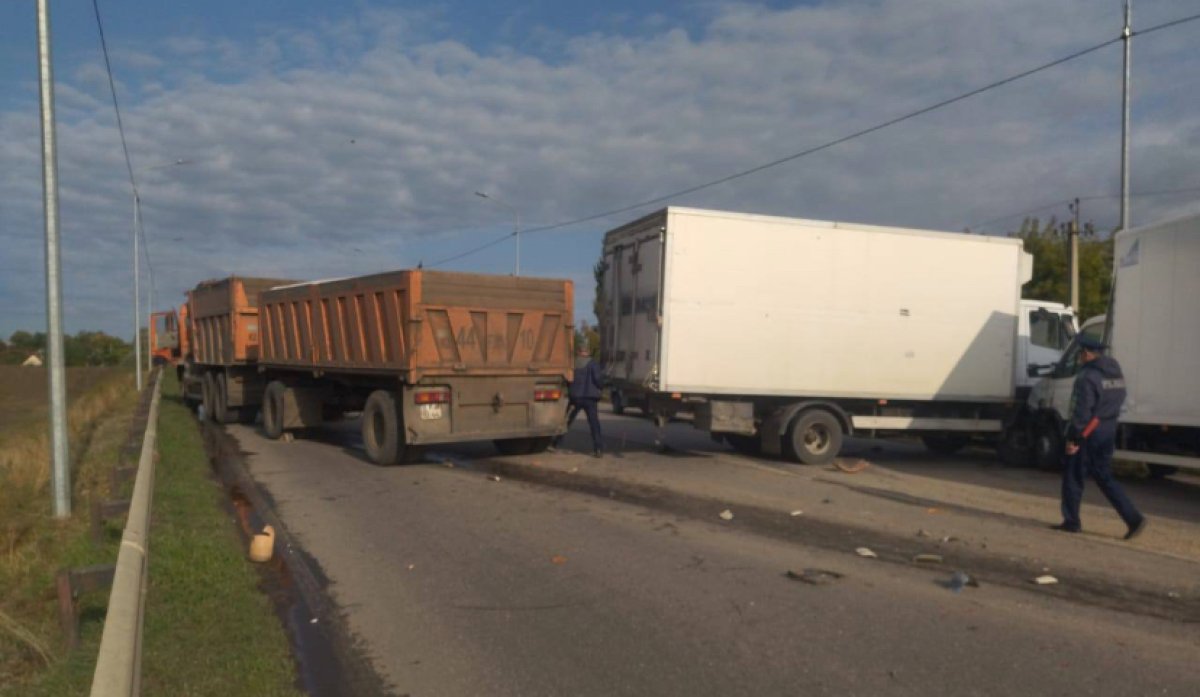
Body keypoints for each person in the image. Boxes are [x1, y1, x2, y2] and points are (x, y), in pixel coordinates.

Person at [1053, 334, 1147, 540]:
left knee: (1073, 475)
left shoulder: (1087, 377)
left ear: (1086, 354)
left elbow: (1081, 410)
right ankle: (1133, 518)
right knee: (1103, 476)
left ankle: (1071, 521)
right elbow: (1120, 398)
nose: (1078, 358)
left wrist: (1074, 438)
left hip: (1088, 431)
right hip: (1108, 429)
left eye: (1079, 354)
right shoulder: (1115, 372)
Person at [557, 344, 604, 457]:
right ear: (588, 352)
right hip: (590, 398)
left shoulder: (573, 364)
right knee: (594, 424)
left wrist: (570, 388)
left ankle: (555, 443)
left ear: (579, 352)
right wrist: (600, 387)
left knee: (566, 421)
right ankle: (598, 449)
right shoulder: (593, 364)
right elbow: (598, 379)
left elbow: (567, 379)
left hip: (575, 397)